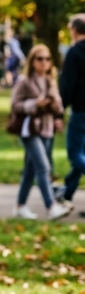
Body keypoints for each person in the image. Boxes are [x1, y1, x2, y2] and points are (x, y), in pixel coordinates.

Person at [11, 45, 71, 220]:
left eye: (47, 59)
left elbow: (58, 104)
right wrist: (34, 104)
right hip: (30, 129)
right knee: (44, 167)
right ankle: (51, 207)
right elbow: (15, 105)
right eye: (40, 59)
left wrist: (55, 109)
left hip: (47, 128)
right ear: (32, 61)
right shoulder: (24, 81)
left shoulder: (50, 81)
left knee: (31, 170)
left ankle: (20, 206)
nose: (44, 62)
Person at [58, 14, 85, 211]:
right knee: (82, 154)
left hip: (81, 110)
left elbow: (67, 85)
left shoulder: (75, 52)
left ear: (73, 30)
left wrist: (59, 111)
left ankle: (66, 191)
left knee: (75, 152)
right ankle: (67, 191)